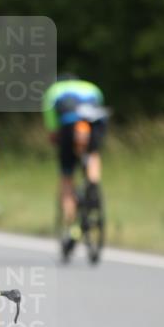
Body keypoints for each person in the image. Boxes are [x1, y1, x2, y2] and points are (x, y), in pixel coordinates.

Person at [41, 74, 107, 255]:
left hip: (69, 124)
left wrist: (57, 140)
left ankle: (71, 226)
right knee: (93, 154)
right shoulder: (91, 86)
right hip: (95, 121)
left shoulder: (53, 91)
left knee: (67, 177)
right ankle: (93, 183)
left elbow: (52, 126)